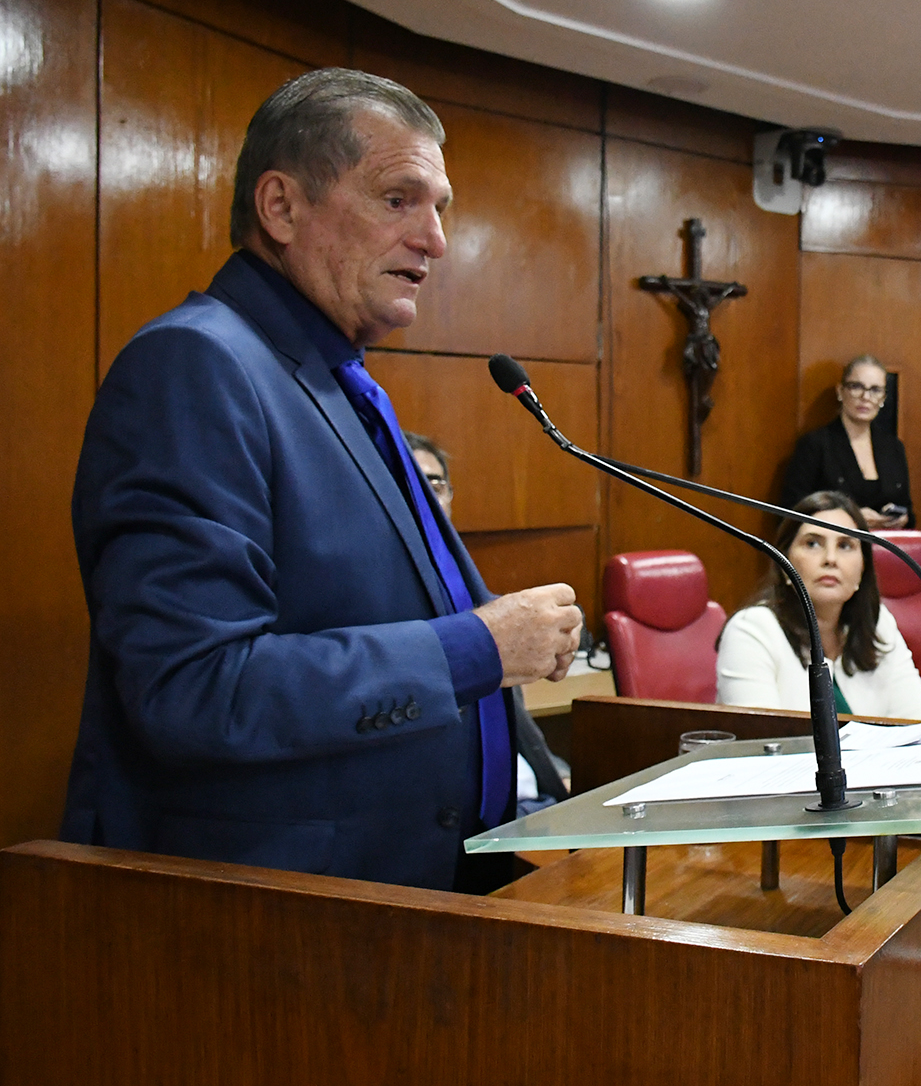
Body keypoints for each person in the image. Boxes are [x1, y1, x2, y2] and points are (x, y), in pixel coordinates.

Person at [60, 68, 584, 893]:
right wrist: (475, 646)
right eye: (398, 199)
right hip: (275, 917)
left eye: (440, 206)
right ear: (282, 207)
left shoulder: (331, 380)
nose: (435, 239)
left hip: (420, 887)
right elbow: (193, 687)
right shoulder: (195, 365)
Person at [404, 430, 570, 816]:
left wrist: (560, 781)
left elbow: (523, 738)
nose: (427, 496)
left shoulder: (480, 602)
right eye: (410, 484)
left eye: (435, 484)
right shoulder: (384, 616)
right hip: (462, 821)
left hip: (531, 804)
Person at [716, 491, 921, 719]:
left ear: (863, 570)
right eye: (812, 543)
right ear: (785, 564)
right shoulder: (751, 630)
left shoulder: (878, 623)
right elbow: (761, 744)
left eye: (845, 545)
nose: (830, 558)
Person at [781, 355, 912, 530]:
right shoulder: (816, 444)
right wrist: (849, 516)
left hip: (885, 549)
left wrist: (901, 519)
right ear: (840, 391)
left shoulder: (893, 447)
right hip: (833, 549)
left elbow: (909, 512)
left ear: (883, 398)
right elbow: (790, 511)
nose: (866, 397)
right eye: (856, 387)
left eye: (875, 390)